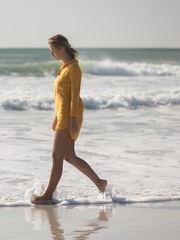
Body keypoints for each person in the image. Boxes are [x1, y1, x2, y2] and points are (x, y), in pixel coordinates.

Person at [31, 34, 107, 205]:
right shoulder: (64, 68)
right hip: (62, 115)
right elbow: (60, 96)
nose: (52, 54)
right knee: (69, 156)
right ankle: (100, 183)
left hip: (69, 116)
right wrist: (56, 117)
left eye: (53, 51)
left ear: (61, 48)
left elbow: (74, 96)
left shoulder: (74, 68)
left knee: (56, 156)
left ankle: (48, 195)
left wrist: (72, 119)